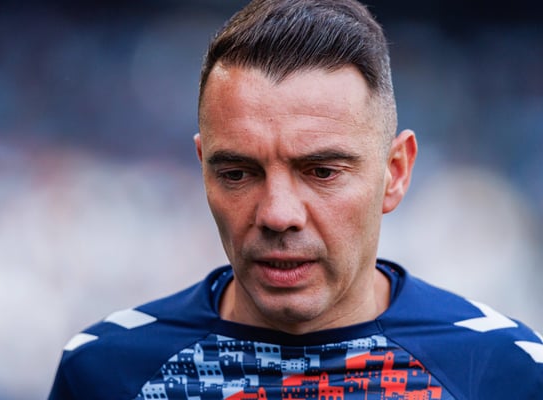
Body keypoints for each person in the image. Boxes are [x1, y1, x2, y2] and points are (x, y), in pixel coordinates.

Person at [48, 0, 543, 398]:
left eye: (322, 172)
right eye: (238, 173)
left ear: (395, 172)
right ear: (203, 169)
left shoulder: (502, 371)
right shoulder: (106, 371)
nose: (278, 214)